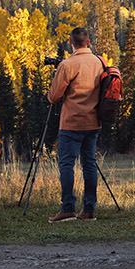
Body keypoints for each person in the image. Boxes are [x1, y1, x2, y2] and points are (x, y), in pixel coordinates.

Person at [46, 26, 104, 221]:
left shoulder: (67, 65)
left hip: (71, 123)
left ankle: (68, 208)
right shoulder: (99, 62)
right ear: (88, 42)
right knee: (89, 164)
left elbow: (54, 97)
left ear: (70, 42)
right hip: (93, 122)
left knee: (66, 164)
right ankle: (89, 209)